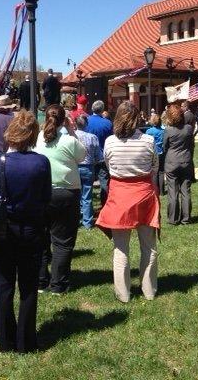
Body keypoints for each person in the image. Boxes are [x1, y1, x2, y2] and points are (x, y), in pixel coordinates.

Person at [0, 110, 51, 353]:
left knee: (4, 286)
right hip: (31, 229)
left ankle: (6, 341)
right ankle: (26, 341)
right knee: (28, 286)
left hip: (3, 229)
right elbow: (46, 197)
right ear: (33, 134)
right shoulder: (40, 162)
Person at [96, 101, 159, 303]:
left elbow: (108, 165)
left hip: (120, 196)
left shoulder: (110, 142)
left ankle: (123, 294)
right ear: (137, 118)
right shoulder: (149, 140)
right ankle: (149, 290)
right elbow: (154, 166)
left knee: (120, 248)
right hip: (144, 195)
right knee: (148, 247)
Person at [34, 105, 86, 294]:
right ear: (64, 120)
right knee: (63, 241)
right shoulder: (69, 140)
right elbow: (83, 156)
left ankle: (40, 282)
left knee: (40, 239)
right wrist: (72, 130)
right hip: (65, 193)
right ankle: (58, 284)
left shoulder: (36, 138)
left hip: (40, 193)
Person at [163, 104, 195, 225]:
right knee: (185, 190)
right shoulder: (188, 129)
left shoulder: (168, 130)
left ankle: (173, 219)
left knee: (173, 191)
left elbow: (165, 146)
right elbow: (192, 145)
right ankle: (186, 218)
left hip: (172, 162)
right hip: (186, 160)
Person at [74, 114, 102, 229]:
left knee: (75, 195)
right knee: (87, 196)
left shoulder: (72, 136)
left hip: (74, 167)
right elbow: (98, 156)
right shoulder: (92, 137)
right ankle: (87, 222)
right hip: (88, 168)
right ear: (86, 124)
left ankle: (76, 219)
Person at [85, 100, 113, 206]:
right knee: (104, 183)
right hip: (102, 157)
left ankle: (87, 209)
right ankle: (105, 206)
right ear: (102, 110)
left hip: (88, 157)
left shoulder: (86, 121)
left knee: (88, 185)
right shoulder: (108, 123)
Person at [145, 113, 165, 195]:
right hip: (161, 152)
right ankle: (162, 191)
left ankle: (155, 189)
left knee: (154, 172)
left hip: (152, 153)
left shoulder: (148, 131)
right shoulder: (163, 131)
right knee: (161, 172)